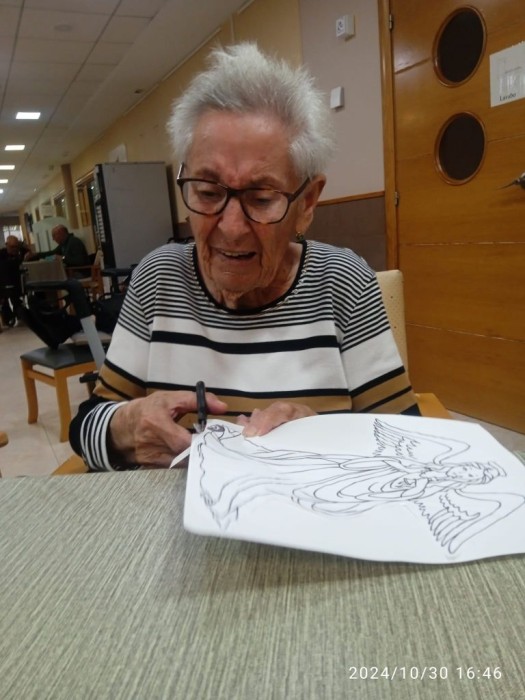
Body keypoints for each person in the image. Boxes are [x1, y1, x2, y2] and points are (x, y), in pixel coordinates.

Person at [70, 42, 420, 472]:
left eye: (261, 198)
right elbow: (87, 427)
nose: (231, 227)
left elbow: (406, 443)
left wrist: (324, 436)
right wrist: (125, 427)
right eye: (207, 192)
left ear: (307, 203)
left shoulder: (342, 281)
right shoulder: (158, 278)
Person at [0, 235, 30, 326]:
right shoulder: (1, 253)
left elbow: (31, 258)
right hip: (4, 282)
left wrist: (26, 257)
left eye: (16, 246)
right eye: (12, 247)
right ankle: (8, 317)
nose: (15, 249)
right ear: (6, 245)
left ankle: (21, 314)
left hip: (19, 281)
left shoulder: (23, 251)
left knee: (15, 296)